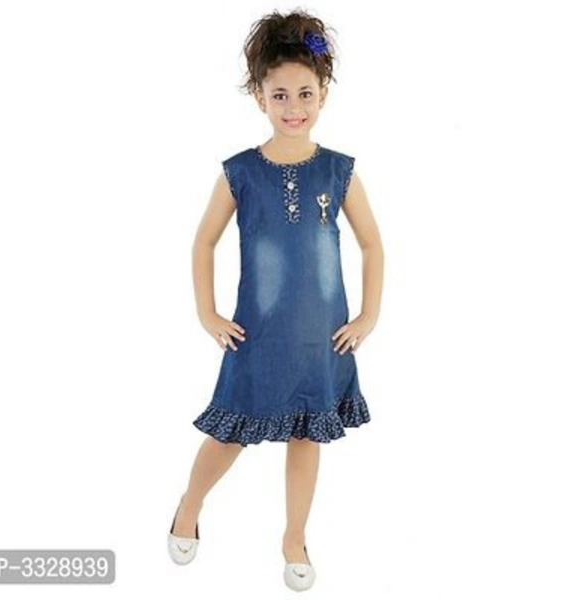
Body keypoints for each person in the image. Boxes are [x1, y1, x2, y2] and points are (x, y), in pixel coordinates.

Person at [167, 8, 384, 592]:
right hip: (257, 333)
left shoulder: (338, 171)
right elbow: (203, 241)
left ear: (323, 95)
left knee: (307, 433)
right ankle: (190, 503)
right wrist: (206, 312)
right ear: (259, 96)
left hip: (321, 335)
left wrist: (369, 314)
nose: (293, 107)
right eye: (280, 94)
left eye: (305, 94)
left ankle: (294, 536)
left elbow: (372, 243)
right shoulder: (241, 172)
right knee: (230, 430)